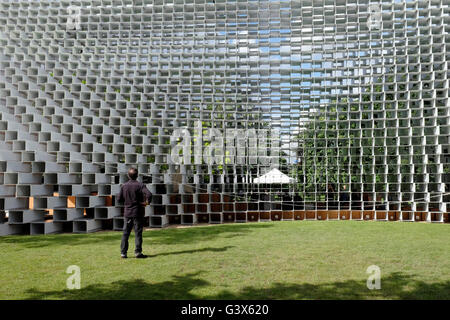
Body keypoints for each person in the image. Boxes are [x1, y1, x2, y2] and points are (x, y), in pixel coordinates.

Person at [117, 167, 152, 259]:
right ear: (137, 175)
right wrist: (146, 203)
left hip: (128, 213)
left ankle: (123, 253)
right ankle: (138, 252)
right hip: (138, 212)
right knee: (138, 233)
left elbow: (119, 199)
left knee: (125, 233)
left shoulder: (124, 186)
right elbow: (149, 194)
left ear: (128, 175)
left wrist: (127, 202)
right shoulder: (140, 185)